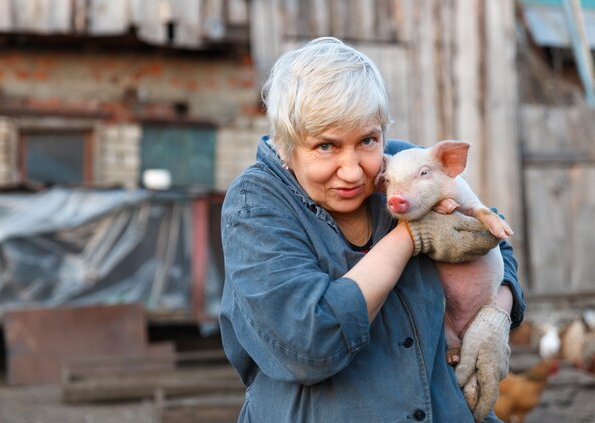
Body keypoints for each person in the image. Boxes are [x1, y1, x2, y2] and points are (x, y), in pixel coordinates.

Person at [219, 37, 525, 422]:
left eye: (367, 140)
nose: (352, 171)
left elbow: (488, 236)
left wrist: (495, 315)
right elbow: (308, 342)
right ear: (286, 146)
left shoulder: (400, 167)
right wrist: (410, 237)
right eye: (326, 146)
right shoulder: (256, 204)